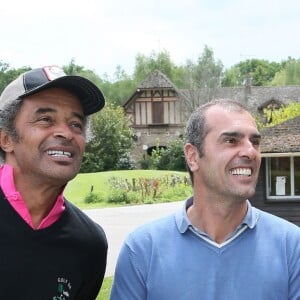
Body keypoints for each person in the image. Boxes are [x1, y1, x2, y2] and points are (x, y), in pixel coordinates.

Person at [110, 99, 300, 300]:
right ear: (192, 156)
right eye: (231, 141)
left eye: (255, 142)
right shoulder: (142, 249)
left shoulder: (292, 246)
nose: (250, 151)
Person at [0, 66, 108, 299]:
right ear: (6, 139)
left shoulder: (89, 244)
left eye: (75, 125)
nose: (66, 133)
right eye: (46, 119)